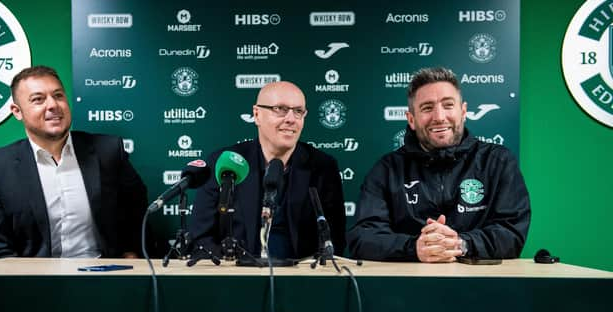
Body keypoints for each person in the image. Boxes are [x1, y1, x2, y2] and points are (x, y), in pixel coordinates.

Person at [348, 67, 530, 262]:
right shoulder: (387, 169)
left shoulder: (498, 162)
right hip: (404, 288)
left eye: (448, 105)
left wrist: (461, 243)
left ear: (463, 111)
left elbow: (512, 234)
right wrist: (414, 248)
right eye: (427, 108)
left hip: (480, 288)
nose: (439, 117)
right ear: (411, 119)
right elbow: (363, 238)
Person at [0, 65, 148, 260]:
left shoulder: (108, 151)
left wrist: (131, 253)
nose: (53, 105)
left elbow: (138, 209)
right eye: (38, 99)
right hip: (34, 284)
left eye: (58, 96)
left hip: (103, 278)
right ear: (17, 111)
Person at [189, 81, 346, 260]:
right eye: (280, 109)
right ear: (257, 114)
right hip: (237, 278)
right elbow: (201, 237)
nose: (291, 119)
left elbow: (334, 240)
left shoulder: (323, 167)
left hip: (303, 280)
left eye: (298, 111)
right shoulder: (224, 164)